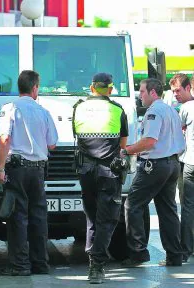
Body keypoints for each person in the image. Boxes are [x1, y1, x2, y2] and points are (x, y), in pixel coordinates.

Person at [0, 70, 58, 276]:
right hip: (38, 170)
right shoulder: (44, 112)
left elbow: (4, 139)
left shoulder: (10, 109)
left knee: (18, 217)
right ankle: (40, 264)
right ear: (34, 88)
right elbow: (52, 144)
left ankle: (20, 265)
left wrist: (1, 168)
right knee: (39, 216)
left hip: (18, 169)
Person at [72, 73, 128, 284]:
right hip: (108, 172)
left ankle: (92, 257)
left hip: (85, 171)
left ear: (91, 87)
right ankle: (97, 265)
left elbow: (77, 137)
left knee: (92, 217)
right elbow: (123, 145)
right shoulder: (117, 110)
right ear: (110, 89)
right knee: (108, 219)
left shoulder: (78, 108)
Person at [122, 78, 185, 267]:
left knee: (132, 204)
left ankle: (138, 253)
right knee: (167, 210)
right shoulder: (169, 110)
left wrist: (127, 150)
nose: (139, 95)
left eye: (142, 92)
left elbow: (150, 141)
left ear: (153, 93)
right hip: (172, 163)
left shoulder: (154, 112)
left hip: (155, 165)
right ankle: (175, 256)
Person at [171, 74, 194, 262]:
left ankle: (186, 250)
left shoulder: (185, 108)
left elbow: (176, 134)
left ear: (188, 88)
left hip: (189, 163)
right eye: (173, 91)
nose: (175, 94)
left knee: (187, 206)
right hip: (187, 161)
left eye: (178, 90)